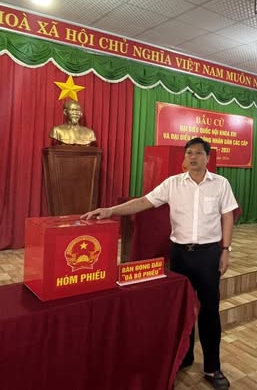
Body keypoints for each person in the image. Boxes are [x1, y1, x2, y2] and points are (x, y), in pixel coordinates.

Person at [81, 137, 237, 390]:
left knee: (209, 310)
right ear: (184, 158)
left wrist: (226, 250)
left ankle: (212, 367)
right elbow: (144, 202)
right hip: (180, 255)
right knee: (181, 309)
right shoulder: (172, 184)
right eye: (189, 153)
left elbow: (227, 216)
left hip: (208, 255)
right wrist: (111, 211)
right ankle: (183, 356)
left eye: (198, 153)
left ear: (208, 158)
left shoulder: (221, 184)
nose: (193, 157)